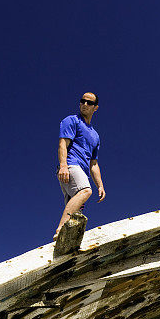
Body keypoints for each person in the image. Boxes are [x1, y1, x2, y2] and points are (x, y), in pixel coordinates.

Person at [53, 92, 106, 240]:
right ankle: (60, 230)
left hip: (81, 172)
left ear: (95, 107)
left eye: (89, 103)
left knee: (76, 213)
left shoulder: (95, 136)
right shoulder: (72, 120)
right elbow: (63, 144)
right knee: (85, 191)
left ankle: (65, 239)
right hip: (71, 166)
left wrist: (100, 185)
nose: (85, 104)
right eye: (82, 101)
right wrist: (63, 165)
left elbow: (93, 163)